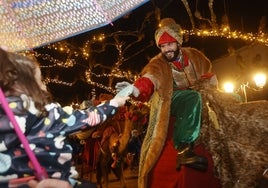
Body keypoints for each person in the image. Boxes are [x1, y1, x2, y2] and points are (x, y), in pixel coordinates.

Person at [0, 48, 129, 188]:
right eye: (40, 81)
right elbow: (89, 117)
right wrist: (116, 102)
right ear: (29, 87)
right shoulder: (48, 113)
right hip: (56, 179)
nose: (44, 86)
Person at [116, 18, 218, 187]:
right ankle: (184, 146)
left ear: (178, 42)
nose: (167, 50)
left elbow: (207, 71)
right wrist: (135, 90)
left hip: (200, 95)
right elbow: (149, 79)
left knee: (231, 99)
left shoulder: (194, 56)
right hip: (170, 101)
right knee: (192, 98)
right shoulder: (158, 63)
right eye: (162, 46)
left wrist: (209, 81)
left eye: (170, 44)